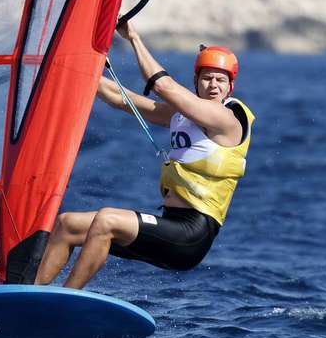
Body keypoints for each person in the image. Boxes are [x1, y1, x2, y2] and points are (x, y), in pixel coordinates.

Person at [34, 20, 255, 289]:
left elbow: (163, 87)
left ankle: (64, 301)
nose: (213, 86)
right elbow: (121, 98)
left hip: (192, 235)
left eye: (221, 80)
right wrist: (73, 69)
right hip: (169, 225)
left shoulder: (228, 119)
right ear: (196, 81)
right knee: (67, 224)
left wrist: (133, 37)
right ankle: (29, 294)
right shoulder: (180, 116)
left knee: (107, 220)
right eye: (207, 78)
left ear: (230, 88)